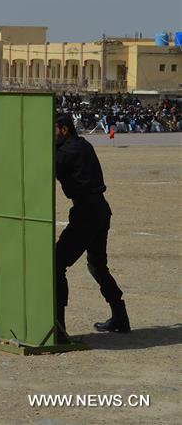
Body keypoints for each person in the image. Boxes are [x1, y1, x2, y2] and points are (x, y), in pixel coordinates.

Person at [54, 114, 129, 337]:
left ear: (65, 130)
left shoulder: (68, 151)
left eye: (54, 131)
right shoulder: (82, 145)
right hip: (99, 210)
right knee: (97, 265)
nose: (52, 136)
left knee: (56, 264)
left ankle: (58, 327)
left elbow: (46, 166)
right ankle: (120, 315)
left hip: (86, 213)